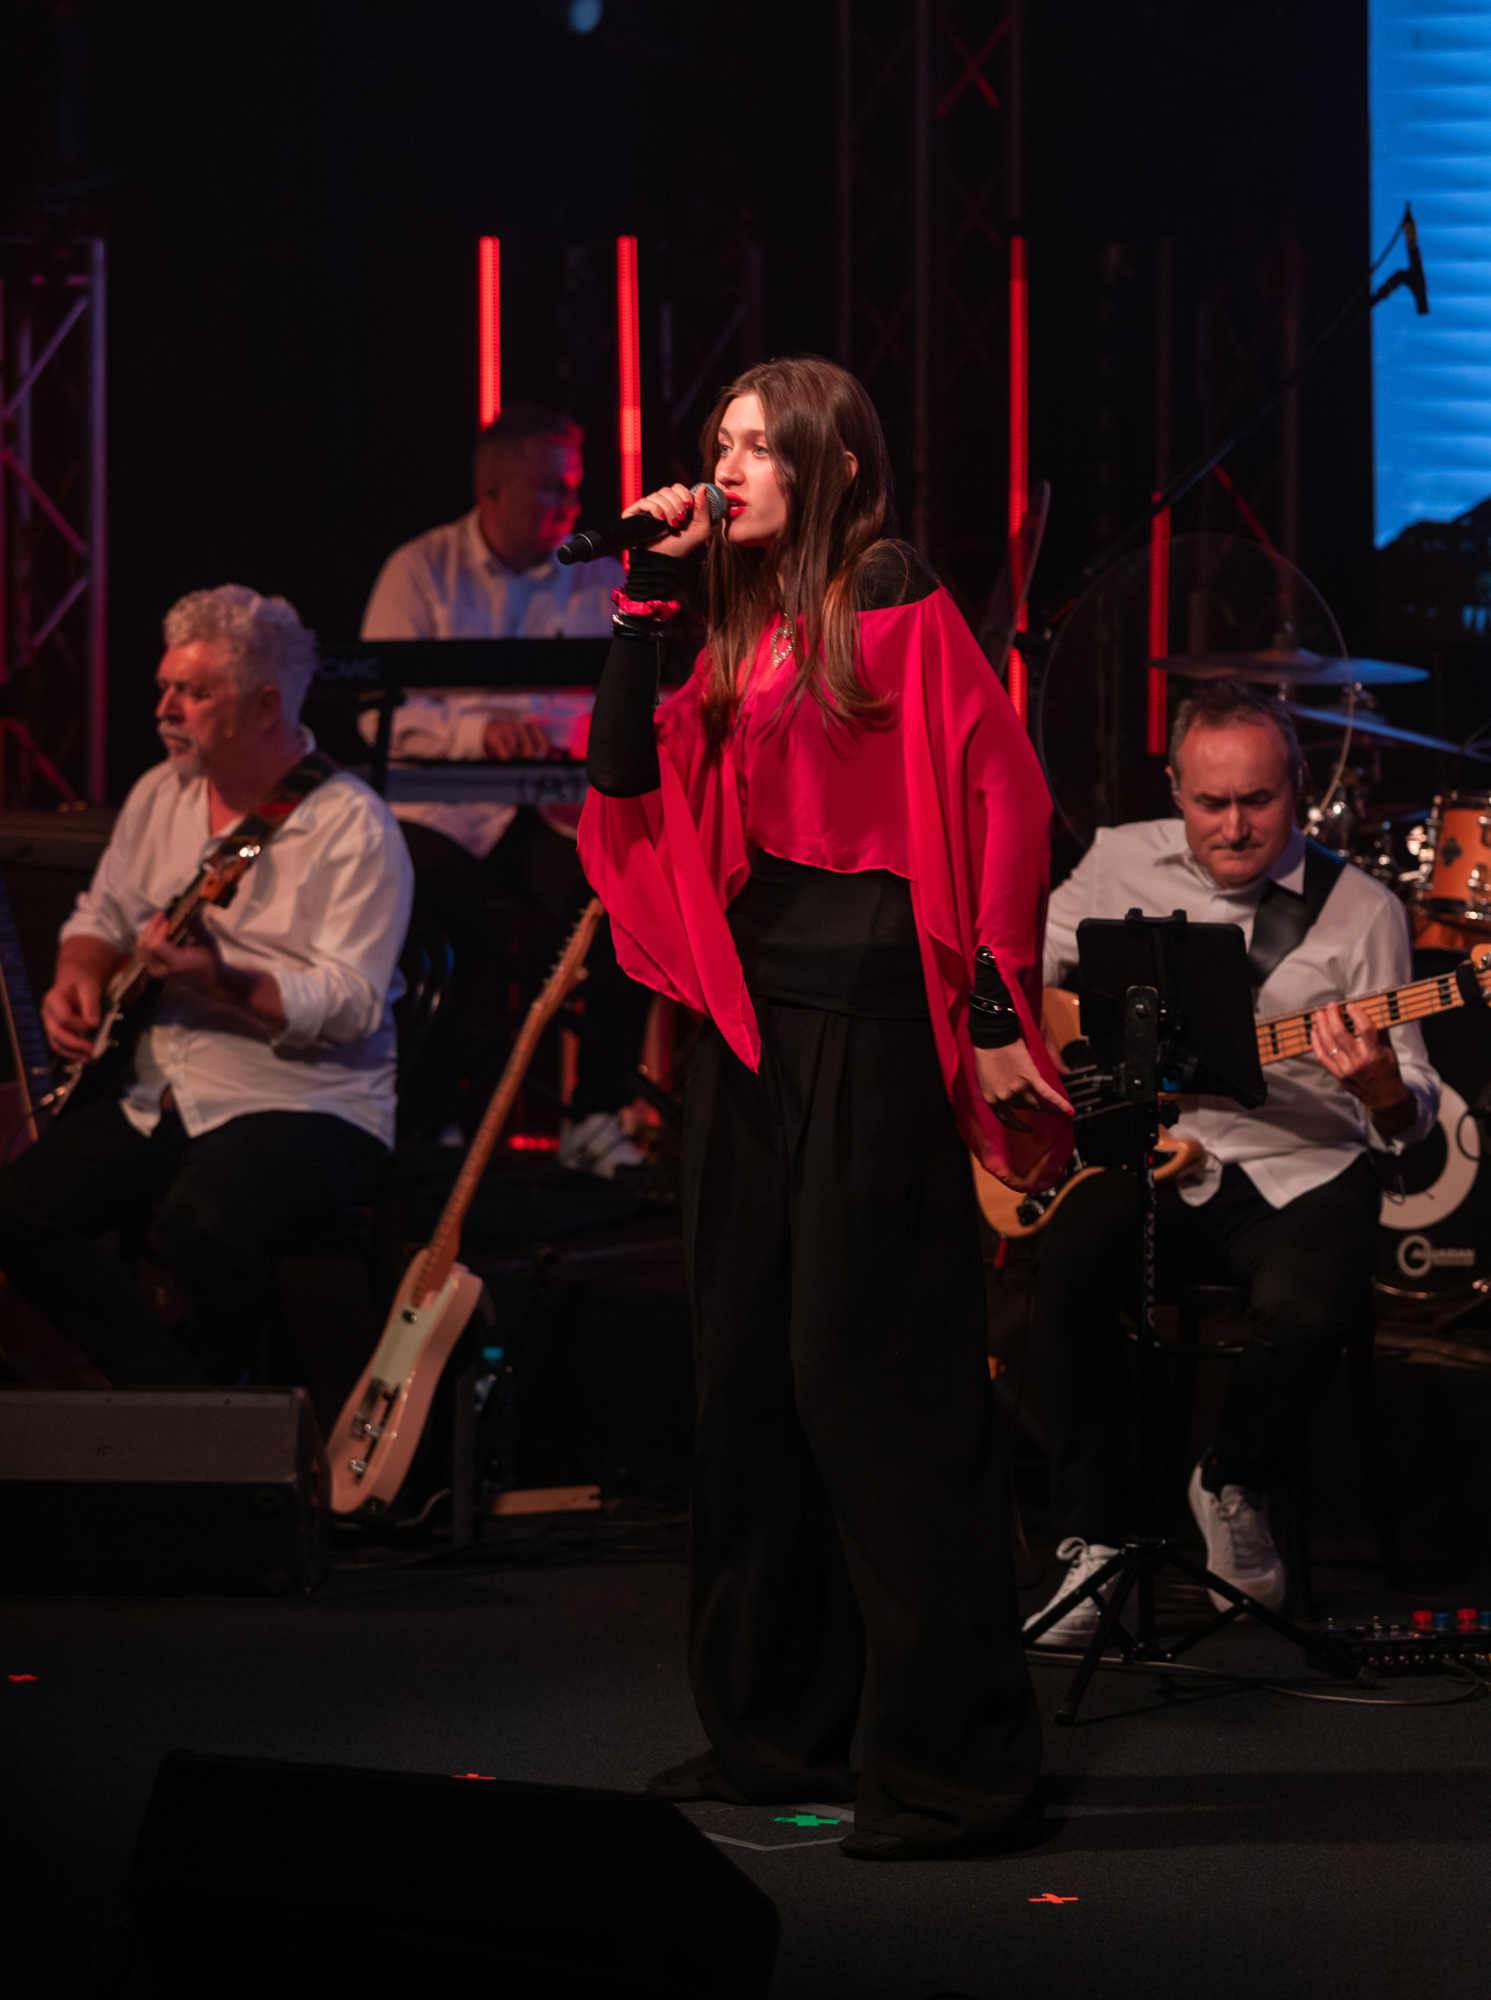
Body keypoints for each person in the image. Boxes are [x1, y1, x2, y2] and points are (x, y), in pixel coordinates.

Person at [579, 355, 1074, 1861]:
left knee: (871, 1390)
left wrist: (994, 1001)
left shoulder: (889, 589)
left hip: (869, 1023)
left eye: (758, 448)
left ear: (835, 466)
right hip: (748, 1029)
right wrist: (642, 596)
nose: (723, 470)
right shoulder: (729, 622)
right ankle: (772, 1730)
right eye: (717, 443)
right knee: (744, 1382)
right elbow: (619, 772)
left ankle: (954, 1769)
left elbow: (1004, 793)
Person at [1022, 679, 1440, 1643]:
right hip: (1152, 1153)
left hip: (1300, 1161)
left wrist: (1381, 1087)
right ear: (1175, 788)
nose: (1235, 825)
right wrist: (1062, 1058)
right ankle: (1093, 1543)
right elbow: (1024, 967)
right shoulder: (1116, 860)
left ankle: (1232, 1481)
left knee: (1309, 1301)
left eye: (1258, 799)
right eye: (1209, 802)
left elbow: (1411, 1116)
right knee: (1068, 1262)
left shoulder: (1362, 909)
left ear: (1299, 788)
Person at [0, 585, 413, 1384]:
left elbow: (353, 1005)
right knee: (18, 1210)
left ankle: (226, 1415)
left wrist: (223, 980)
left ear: (265, 706)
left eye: (193, 693)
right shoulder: (161, 794)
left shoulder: (353, 825)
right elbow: (101, 914)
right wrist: (77, 976)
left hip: (305, 1103)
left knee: (205, 1220)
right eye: (165, 687)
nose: (165, 710)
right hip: (160, 1090)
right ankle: (175, 1399)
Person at [362, 402, 650, 1174]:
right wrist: (477, 732)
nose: (571, 503)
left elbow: (621, 699)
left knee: (631, 904)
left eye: (574, 485)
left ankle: (594, 1114)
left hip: (550, 810)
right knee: (432, 909)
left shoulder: (597, 572)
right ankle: (433, 1118)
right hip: (444, 811)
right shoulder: (420, 569)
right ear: (490, 490)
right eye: (551, 486)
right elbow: (375, 709)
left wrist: (568, 733)